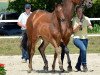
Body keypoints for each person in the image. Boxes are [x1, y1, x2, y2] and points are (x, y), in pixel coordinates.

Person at [72, 6, 93, 72]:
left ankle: (78, 66)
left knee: (82, 52)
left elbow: (91, 27)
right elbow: (73, 30)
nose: (79, 12)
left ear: (82, 11)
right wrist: (78, 25)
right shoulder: (74, 19)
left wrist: (89, 26)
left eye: (80, 11)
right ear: (76, 12)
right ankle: (84, 65)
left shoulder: (86, 18)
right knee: (83, 49)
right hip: (77, 38)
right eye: (78, 11)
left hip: (85, 39)